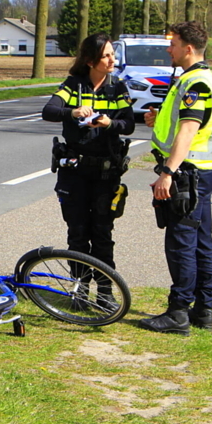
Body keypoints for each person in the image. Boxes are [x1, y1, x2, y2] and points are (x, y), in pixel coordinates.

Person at [138, 21, 212, 335]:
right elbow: (185, 124)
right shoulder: (196, 79)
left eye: (173, 44)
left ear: (188, 48)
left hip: (189, 173)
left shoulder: (196, 83)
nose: (169, 49)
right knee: (201, 241)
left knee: (181, 242)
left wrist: (167, 172)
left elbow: (189, 130)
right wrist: (157, 119)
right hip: (201, 172)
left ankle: (178, 313)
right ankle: (203, 310)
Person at [42, 33, 134, 294]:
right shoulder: (74, 85)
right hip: (75, 173)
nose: (112, 59)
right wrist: (72, 112)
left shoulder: (117, 87)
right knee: (78, 234)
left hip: (106, 173)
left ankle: (105, 293)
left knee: (103, 234)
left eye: (112, 55)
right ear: (91, 60)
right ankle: (80, 290)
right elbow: (48, 111)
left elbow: (127, 124)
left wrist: (108, 123)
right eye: (106, 55)